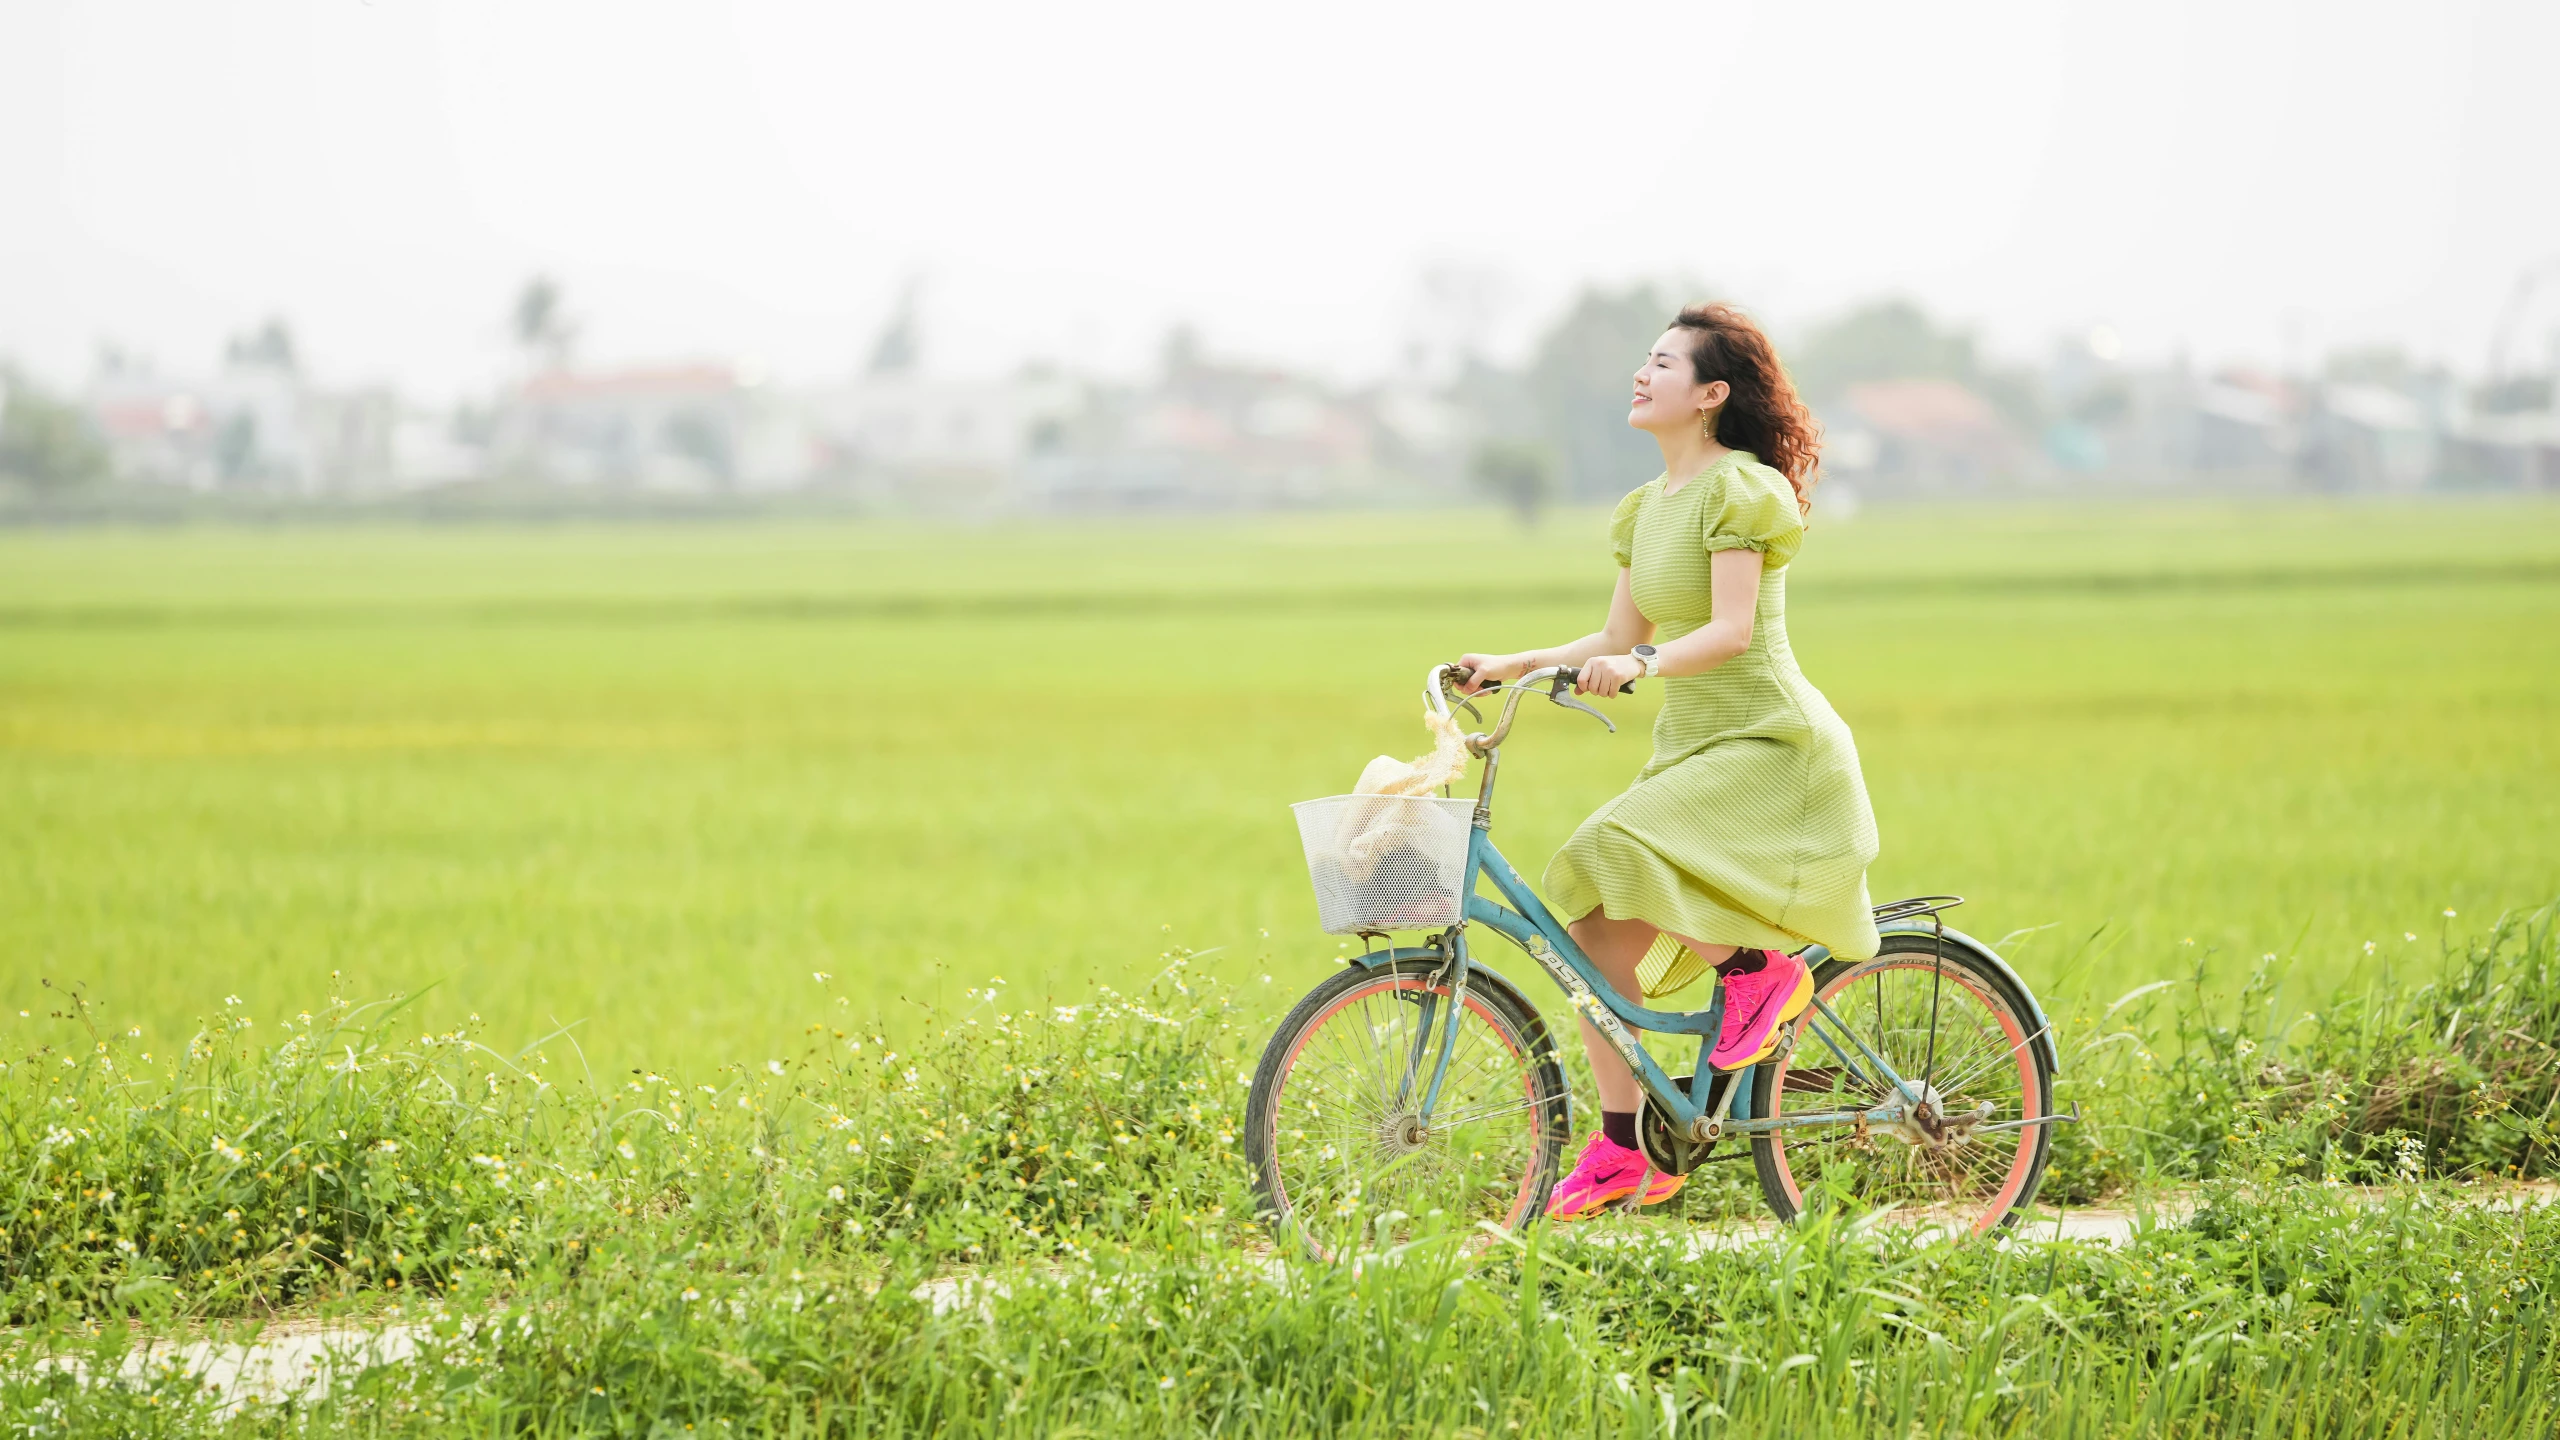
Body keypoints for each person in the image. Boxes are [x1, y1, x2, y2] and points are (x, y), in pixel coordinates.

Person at [1457, 303, 1881, 1220]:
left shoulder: (1740, 490)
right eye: (1642, 361)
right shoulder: (1647, 510)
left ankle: (1755, 976)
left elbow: (1729, 632)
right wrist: (1514, 665)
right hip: (1695, 743)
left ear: (1711, 395)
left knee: (1611, 844)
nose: (1641, 376)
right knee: (1594, 936)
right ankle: (1624, 1148)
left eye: (1662, 364)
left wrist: (1641, 666)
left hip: (1772, 744)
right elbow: (1615, 633)